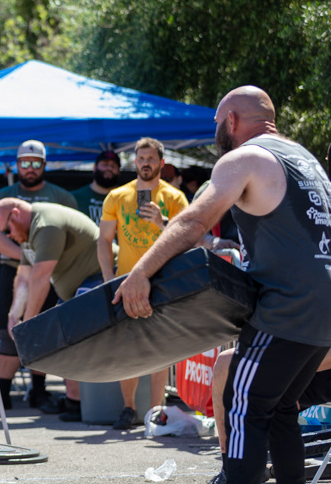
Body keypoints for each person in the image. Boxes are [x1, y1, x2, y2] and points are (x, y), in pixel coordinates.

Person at [115, 86, 331, 484]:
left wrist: (140, 273)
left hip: (288, 307)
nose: (216, 132)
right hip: (324, 311)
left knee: (243, 404)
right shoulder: (305, 160)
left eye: (217, 123)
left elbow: (194, 220)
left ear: (231, 120)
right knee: (280, 406)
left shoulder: (246, 157)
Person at [0, 199, 115, 422]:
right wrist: (13, 315)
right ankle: (74, 401)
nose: (8, 236)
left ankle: (83, 402)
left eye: (6, 230)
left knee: (74, 339)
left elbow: (40, 278)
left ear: (16, 214)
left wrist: (27, 323)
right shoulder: (28, 233)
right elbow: (24, 277)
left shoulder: (45, 225)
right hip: (78, 288)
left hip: (101, 279)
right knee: (64, 340)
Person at [97, 137, 189, 430]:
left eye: (151, 159)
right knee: (128, 348)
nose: (145, 163)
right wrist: (108, 279)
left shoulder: (175, 197)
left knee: (160, 348)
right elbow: (104, 240)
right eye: (141, 158)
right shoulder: (117, 196)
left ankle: (156, 411)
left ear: (162, 163)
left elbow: (186, 238)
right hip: (125, 281)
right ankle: (128, 408)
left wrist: (162, 224)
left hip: (163, 281)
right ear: (134, 162)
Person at [0, 140, 76, 410]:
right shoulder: (0, 197)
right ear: (17, 165)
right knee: (9, 331)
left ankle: (39, 390)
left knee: (42, 329)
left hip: (50, 274)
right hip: (13, 272)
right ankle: (2, 392)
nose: (30, 168)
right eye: (25, 162)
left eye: (35, 163)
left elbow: (69, 233)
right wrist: (29, 255)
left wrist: (39, 260)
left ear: (44, 165)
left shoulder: (62, 197)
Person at [207, 349, 331, 484]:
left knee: (279, 408)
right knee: (226, 361)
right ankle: (230, 470)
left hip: (312, 367)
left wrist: (286, 374)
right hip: (296, 361)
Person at [71, 150, 122, 225]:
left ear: (119, 171)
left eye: (113, 166)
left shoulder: (126, 199)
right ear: (95, 167)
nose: (109, 168)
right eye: (105, 164)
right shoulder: (74, 198)